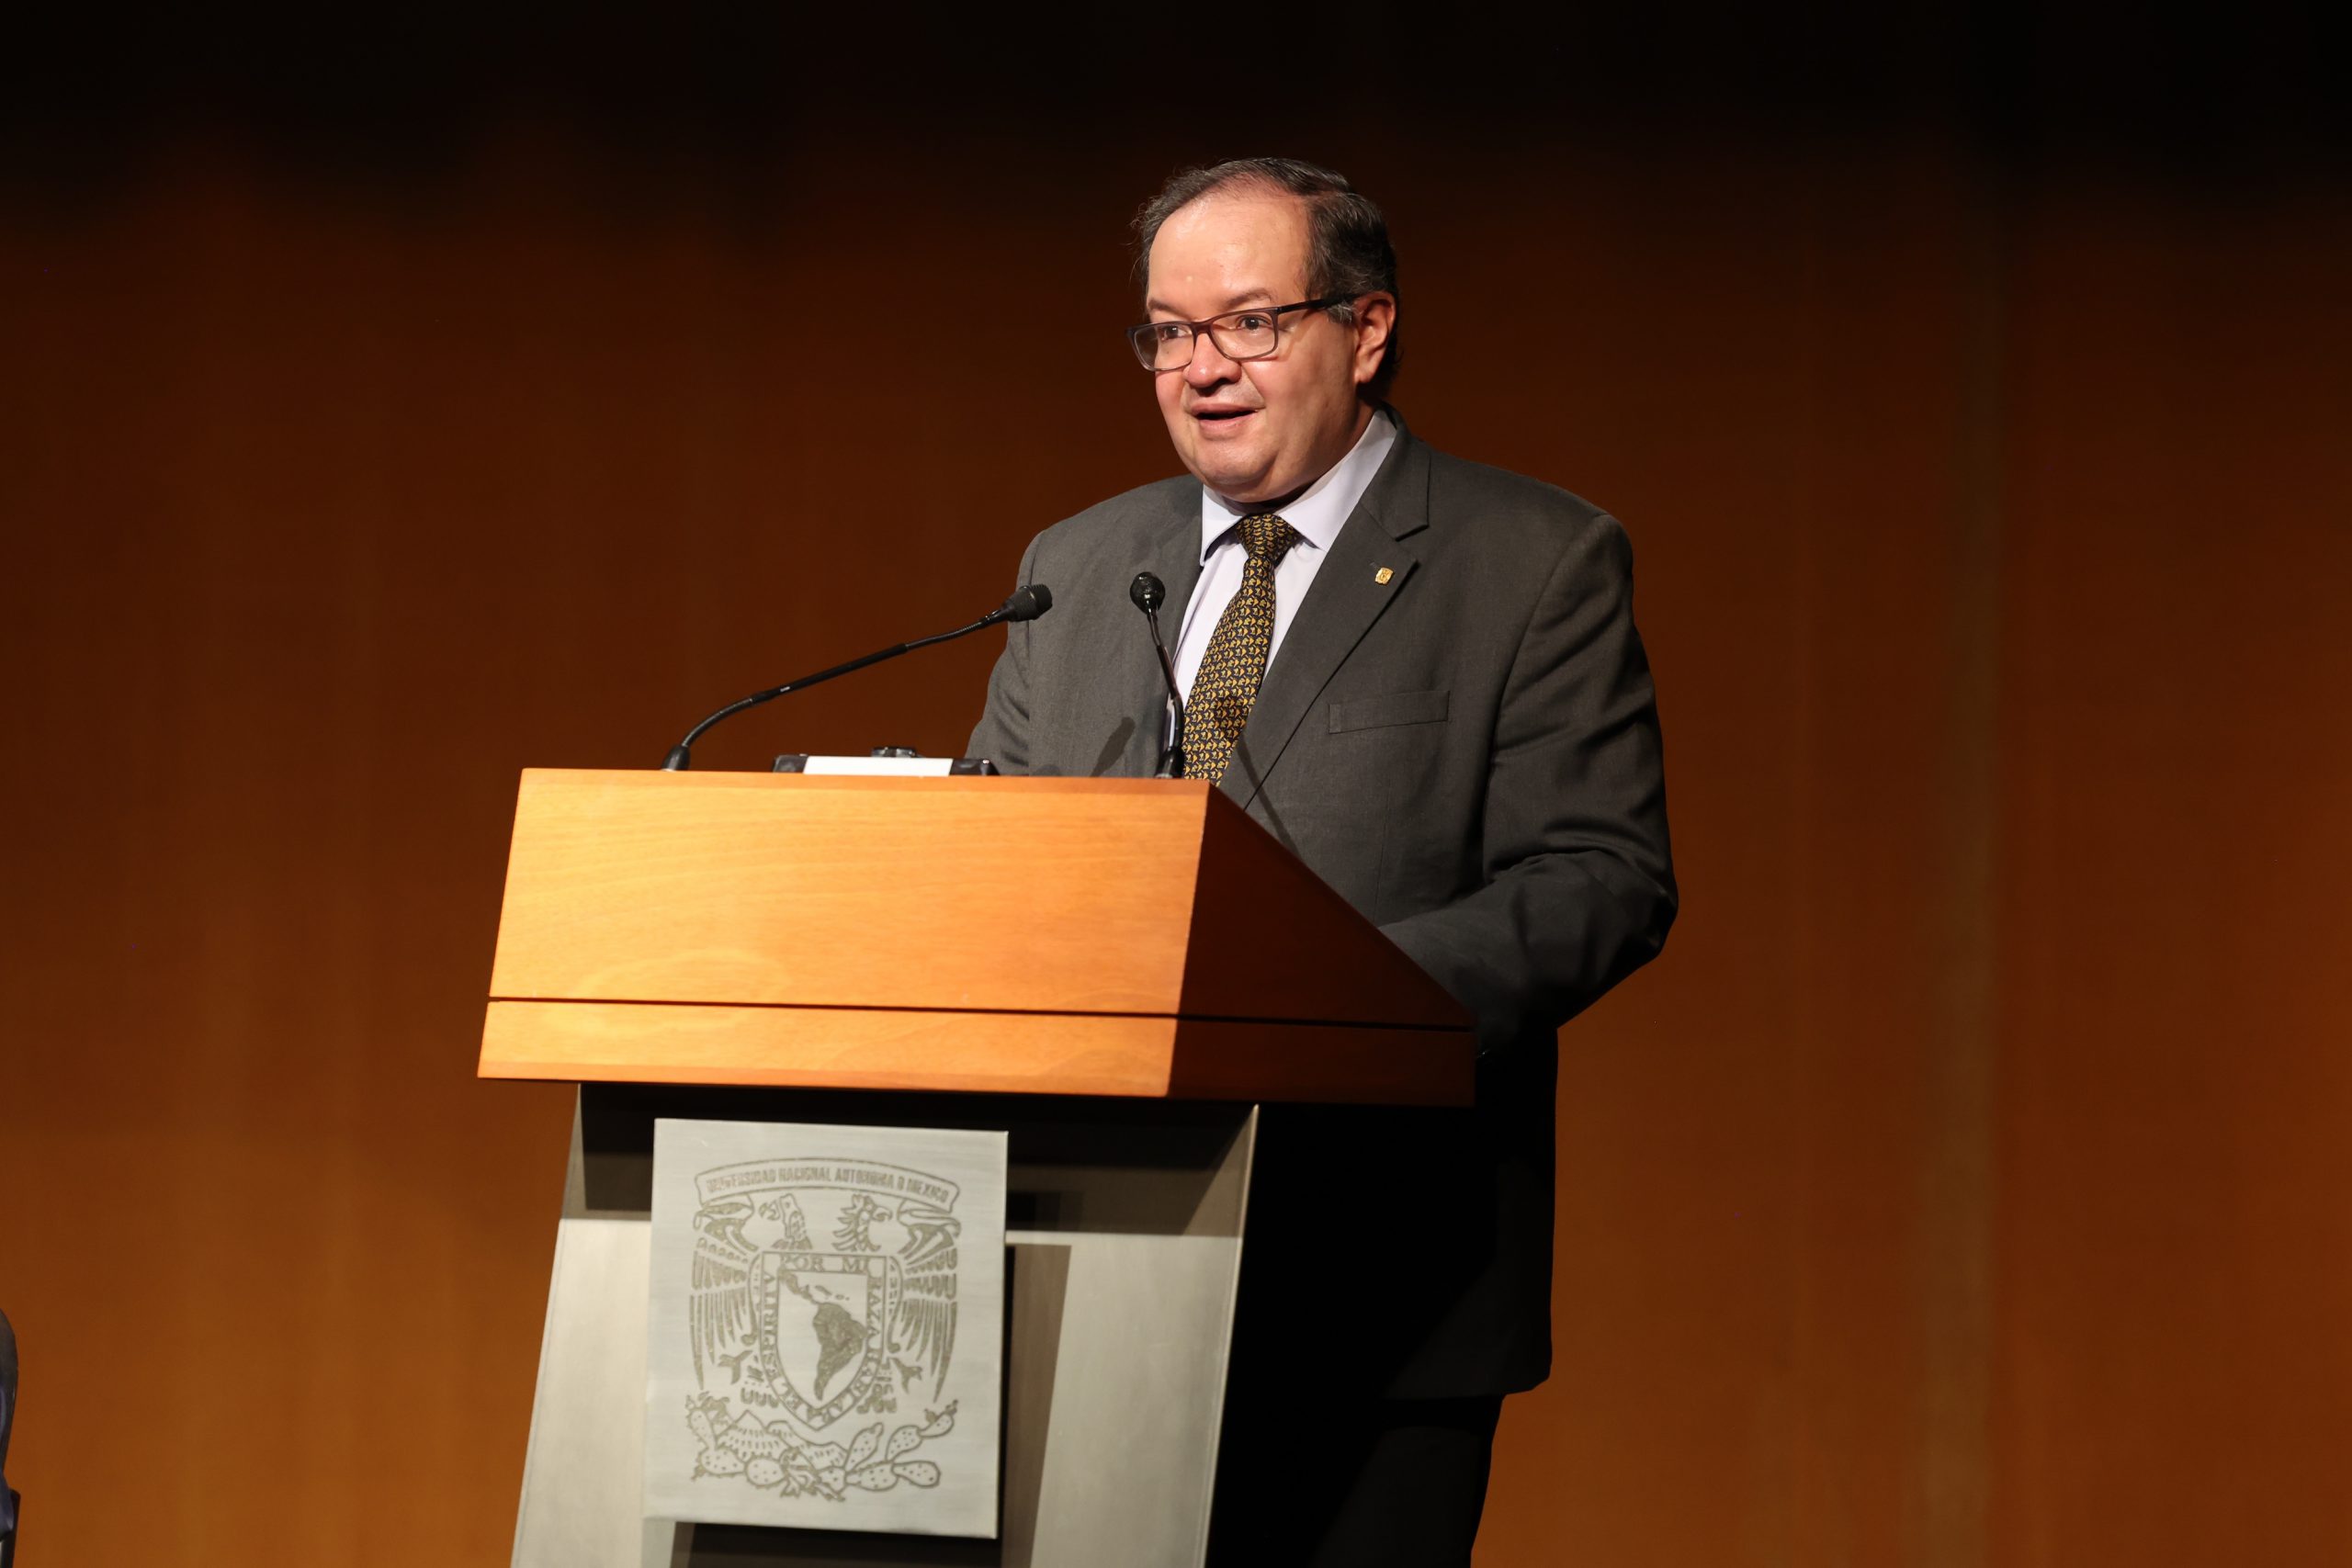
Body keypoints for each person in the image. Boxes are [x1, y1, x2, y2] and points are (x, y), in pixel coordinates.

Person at [967, 157, 1676, 1565]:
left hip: (1375, 1274)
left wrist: (1335, 1003)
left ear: (1365, 328)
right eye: (1167, 332)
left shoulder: (1530, 560)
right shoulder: (1083, 564)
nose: (1201, 368)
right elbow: (994, 847)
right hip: (1075, 1264)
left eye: (1250, 322)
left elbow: (1598, 875)